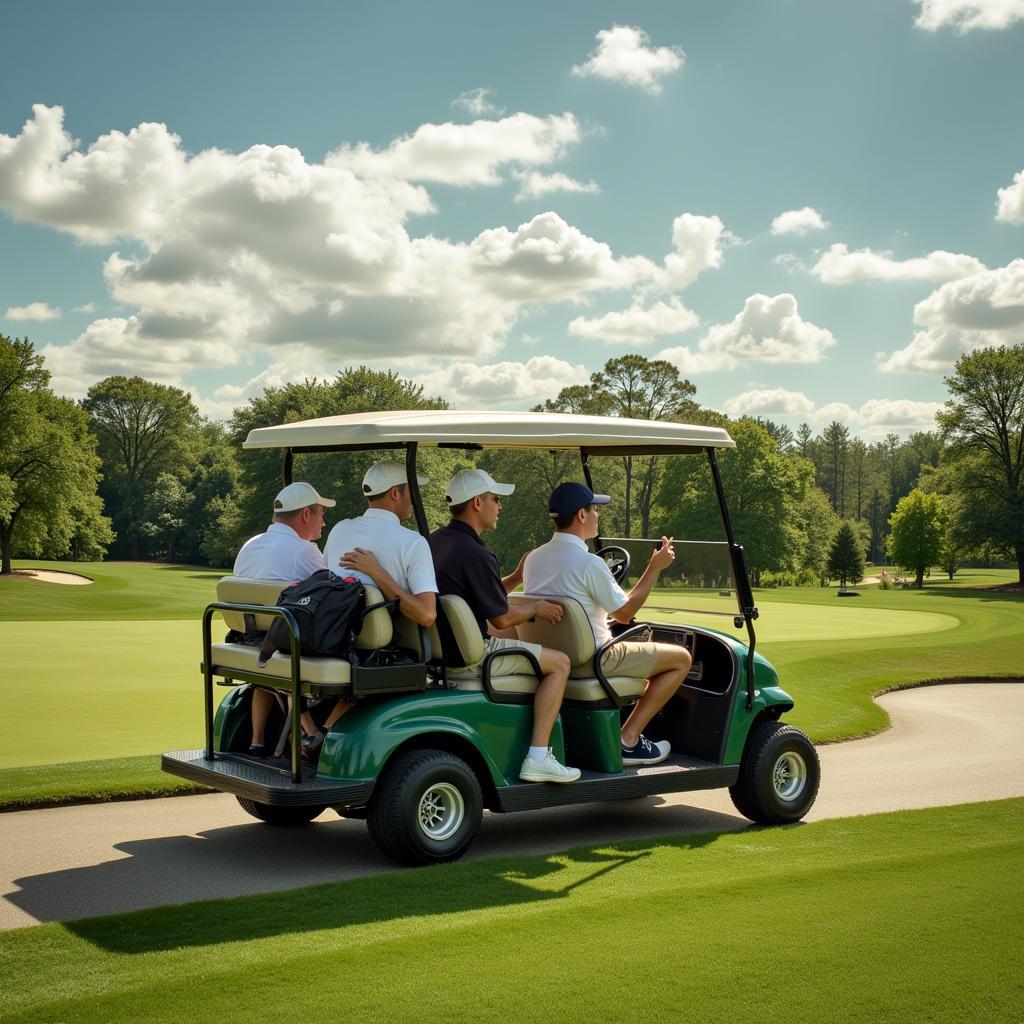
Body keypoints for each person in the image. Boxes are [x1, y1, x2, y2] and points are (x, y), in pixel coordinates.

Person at [523, 482, 692, 768]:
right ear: (581, 515)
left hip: (553, 659)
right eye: (595, 510)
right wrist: (655, 567)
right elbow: (626, 613)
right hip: (595, 659)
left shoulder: (533, 559)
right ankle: (628, 739)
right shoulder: (590, 564)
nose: (598, 515)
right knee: (681, 659)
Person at [430, 469, 580, 784]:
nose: (500, 506)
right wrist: (536, 608)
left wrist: (515, 578)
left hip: (440, 653)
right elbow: (500, 618)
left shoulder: (437, 541)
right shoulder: (477, 553)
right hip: (473, 658)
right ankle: (539, 756)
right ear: (476, 503)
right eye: (495, 500)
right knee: (561, 663)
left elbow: (486, 598)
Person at [313, 462, 439, 753]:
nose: (414, 497)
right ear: (396, 493)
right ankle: (325, 735)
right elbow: (426, 615)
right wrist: (380, 575)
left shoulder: (340, 530)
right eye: (412, 491)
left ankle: (316, 733)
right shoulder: (412, 543)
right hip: (378, 651)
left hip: (334, 640)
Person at [232, 481, 334, 757]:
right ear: (305, 515)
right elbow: (332, 591)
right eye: (321, 515)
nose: (323, 523)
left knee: (272, 663)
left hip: (251, 638)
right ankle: (312, 734)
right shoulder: (304, 551)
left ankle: (257, 740)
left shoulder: (250, 545)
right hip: (284, 640)